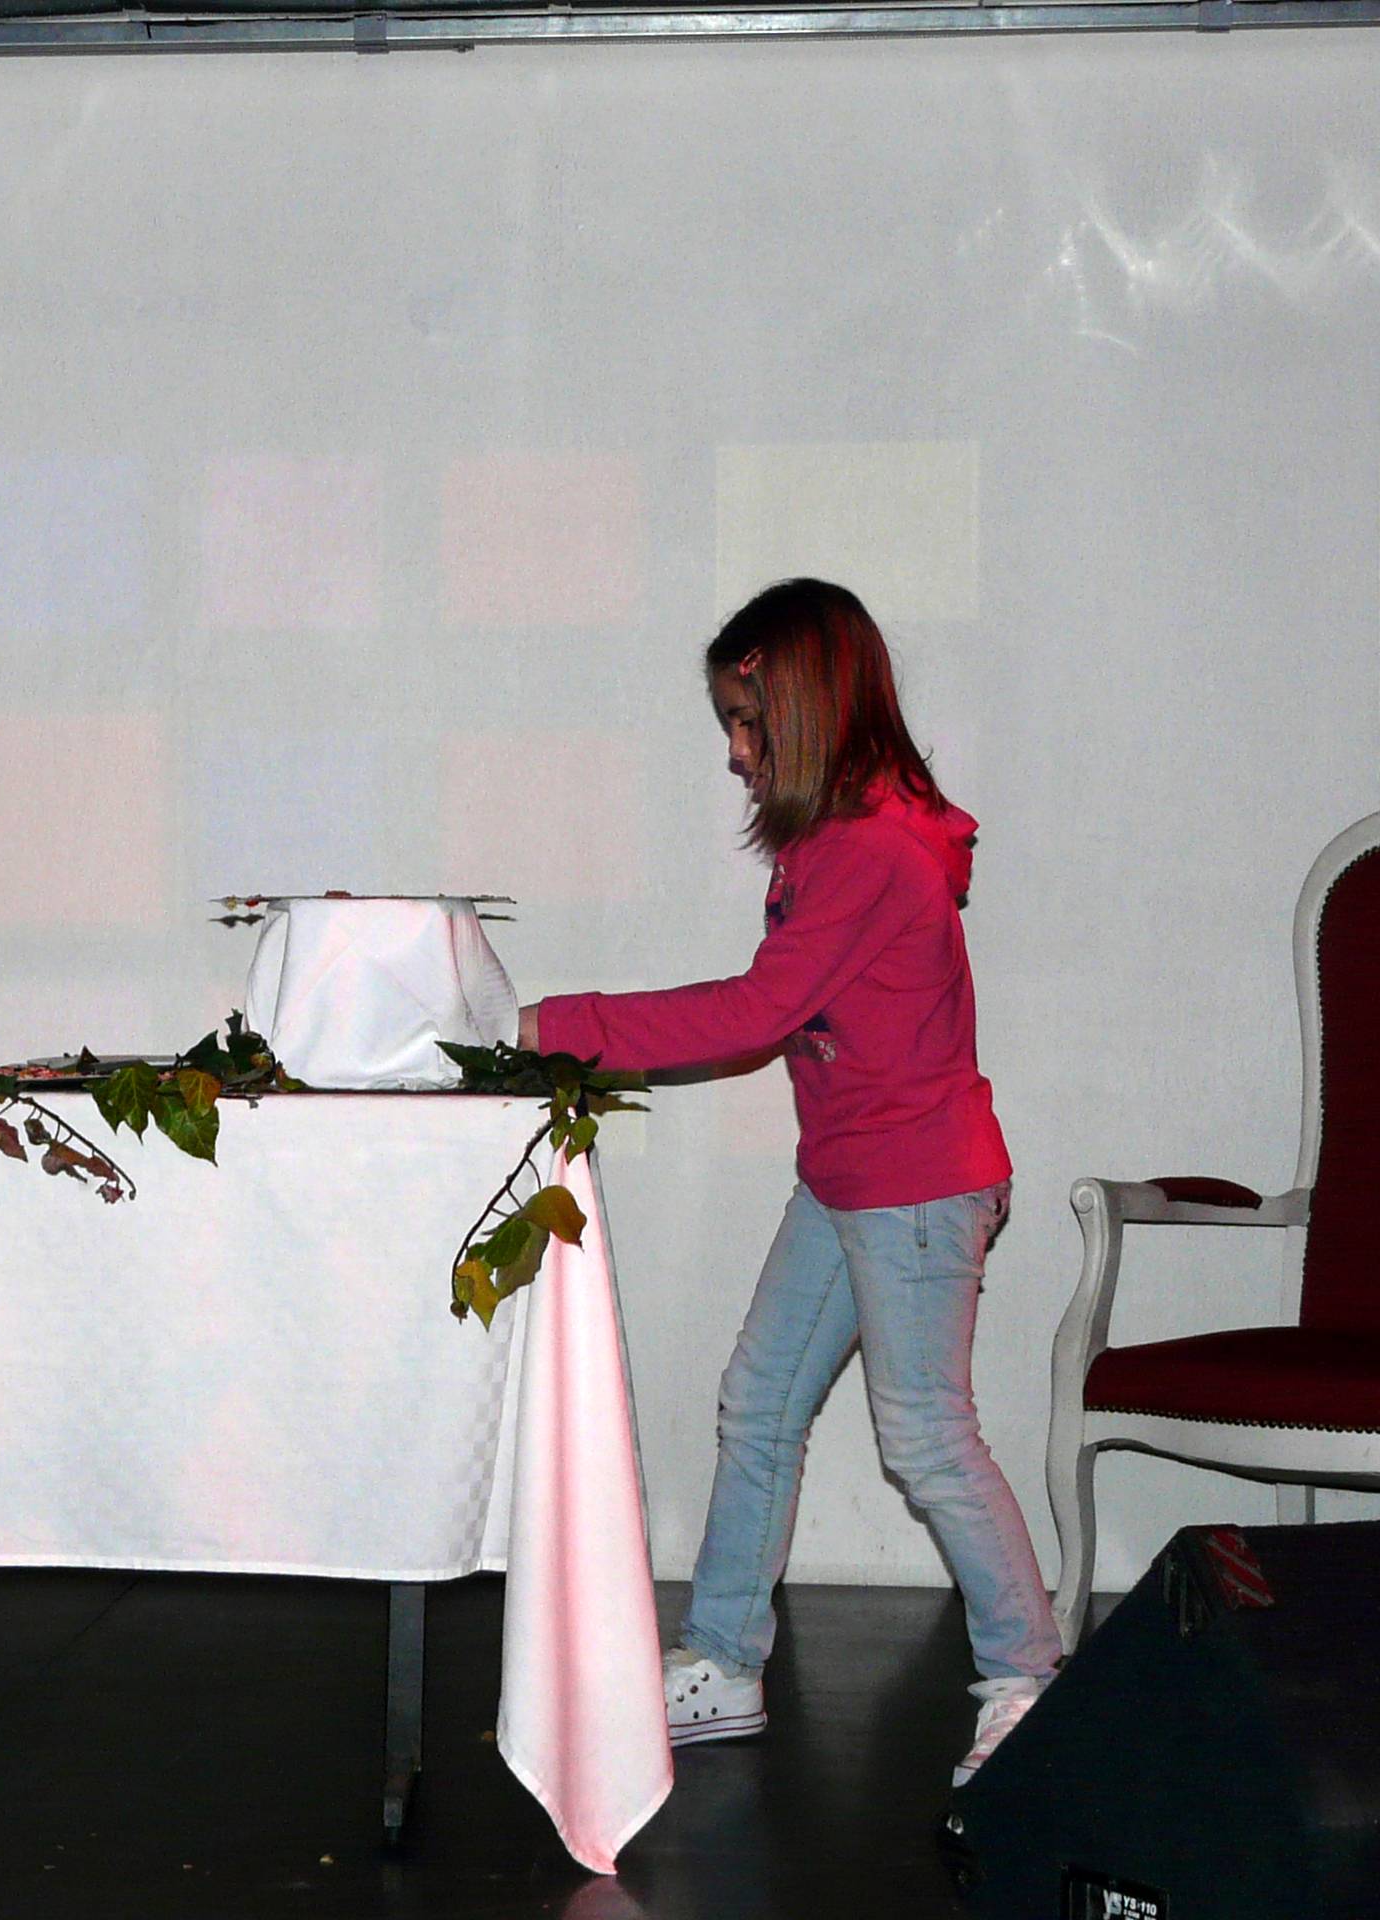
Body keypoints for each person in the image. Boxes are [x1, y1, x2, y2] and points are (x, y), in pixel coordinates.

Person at [518, 577, 1061, 1787]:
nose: (733, 751)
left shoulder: (871, 855)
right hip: (851, 1179)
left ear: (807, 712)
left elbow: (755, 1012)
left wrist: (555, 1024)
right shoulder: (839, 844)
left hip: (914, 1191)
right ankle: (722, 1661)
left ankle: (1029, 1684)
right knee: (759, 1402)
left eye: (746, 722)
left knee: (926, 1441)